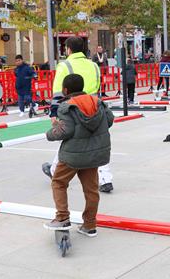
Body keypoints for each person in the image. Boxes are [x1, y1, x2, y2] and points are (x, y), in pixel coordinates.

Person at [44, 73, 114, 236]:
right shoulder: (97, 102)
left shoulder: (66, 106)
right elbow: (110, 120)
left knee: (59, 182)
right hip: (94, 154)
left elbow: (65, 130)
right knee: (91, 190)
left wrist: (51, 132)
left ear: (65, 90)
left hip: (73, 155)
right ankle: (90, 225)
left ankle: (62, 217)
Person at [42, 37, 114, 193]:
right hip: (94, 106)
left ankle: (55, 171)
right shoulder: (94, 65)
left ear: (68, 49)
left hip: (72, 108)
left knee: (69, 141)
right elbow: (97, 87)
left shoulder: (65, 65)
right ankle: (105, 178)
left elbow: (57, 91)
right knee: (98, 141)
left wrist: (54, 113)